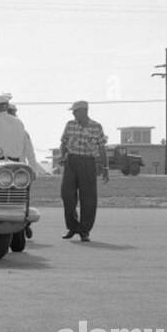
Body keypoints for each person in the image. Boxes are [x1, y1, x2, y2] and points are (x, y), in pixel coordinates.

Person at [59, 100, 108, 241]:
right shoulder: (70, 125)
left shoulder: (96, 127)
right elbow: (63, 143)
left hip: (88, 162)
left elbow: (102, 148)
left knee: (88, 198)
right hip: (71, 162)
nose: (73, 114)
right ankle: (73, 227)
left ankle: (84, 230)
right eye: (73, 112)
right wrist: (63, 156)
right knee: (67, 195)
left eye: (75, 111)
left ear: (84, 111)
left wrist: (105, 168)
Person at [0, 93, 35, 162]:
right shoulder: (19, 123)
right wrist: (33, 170)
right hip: (18, 166)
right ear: (7, 106)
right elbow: (29, 152)